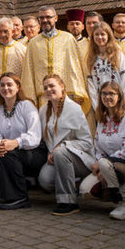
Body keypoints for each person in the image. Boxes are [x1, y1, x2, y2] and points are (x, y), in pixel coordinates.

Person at [0, 72, 44, 210]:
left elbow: (35, 136)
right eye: (2, 85)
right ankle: (18, 185)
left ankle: (19, 197)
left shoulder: (26, 106)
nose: (6, 88)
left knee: (8, 153)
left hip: (33, 152)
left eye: (9, 84)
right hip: (9, 153)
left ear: (17, 87)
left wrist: (15, 143)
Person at [37, 75, 95, 216]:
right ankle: (70, 182)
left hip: (79, 159)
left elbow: (87, 142)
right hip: (56, 158)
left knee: (60, 152)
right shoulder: (43, 110)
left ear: (62, 86)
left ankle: (69, 202)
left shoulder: (74, 109)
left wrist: (63, 146)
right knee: (45, 180)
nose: (48, 90)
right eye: (45, 88)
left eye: (52, 86)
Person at [89, 81, 125, 219]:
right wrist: (101, 163)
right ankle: (116, 195)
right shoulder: (102, 120)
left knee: (105, 165)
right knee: (85, 189)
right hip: (107, 164)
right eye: (104, 94)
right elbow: (98, 146)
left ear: (119, 96)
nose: (107, 97)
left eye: (111, 93)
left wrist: (103, 164)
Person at [22, 6, 88, 111]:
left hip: (66, 94)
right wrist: (30, 97)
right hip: (43, 96)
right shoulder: (33, 43)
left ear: (56, 18)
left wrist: (77, 92)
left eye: (48, 17)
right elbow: (28, 71)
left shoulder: (68, 38)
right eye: (41, 18)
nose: (45, 20)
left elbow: (75, 66)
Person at [85, 25, 125, 117]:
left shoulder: (117, 54)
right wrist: (97, 107)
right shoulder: (90, 59)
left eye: (103, 34)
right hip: (102, 104)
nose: (100, 37)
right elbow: (91, 86)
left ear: (108, 36)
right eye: (96, 34)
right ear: (92, 37)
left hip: (119, 102)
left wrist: (122, 102)